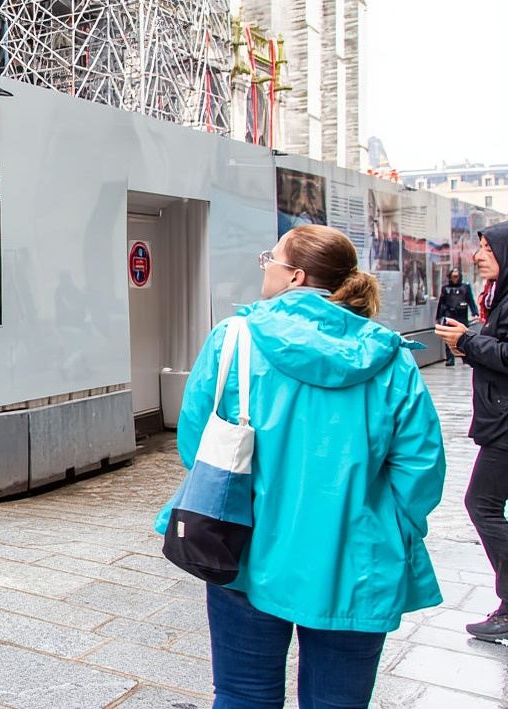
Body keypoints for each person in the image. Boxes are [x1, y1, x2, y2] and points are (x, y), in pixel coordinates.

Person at [156, 224, 445, 709]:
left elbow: (194, 445)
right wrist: (381, 529)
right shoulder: (391, 357)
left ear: (296, 276)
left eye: (270, 258)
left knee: (242, 695)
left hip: (244, 548)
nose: (264, 265)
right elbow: (421, 471)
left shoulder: (236, 340)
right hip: (358, 564)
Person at [434, 221, 508, 642]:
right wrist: (469, 344)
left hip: (505, 426)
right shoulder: (496, 296)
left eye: (486, 249)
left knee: (481, 504)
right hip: (500, 419)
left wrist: (468, 341)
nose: (477, 256)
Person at [434, 267, 475, 365]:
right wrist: (439, 317)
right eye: (453, 277)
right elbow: (441, 303)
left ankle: (465, 356)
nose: (455, 279)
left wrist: (475, 311)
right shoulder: (446, 289)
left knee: (463, 335)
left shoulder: (465, 287)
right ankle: (450, 358)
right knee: (448, 336)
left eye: (456, 277)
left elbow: (470, 300)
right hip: (449, 314)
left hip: (461, 314)